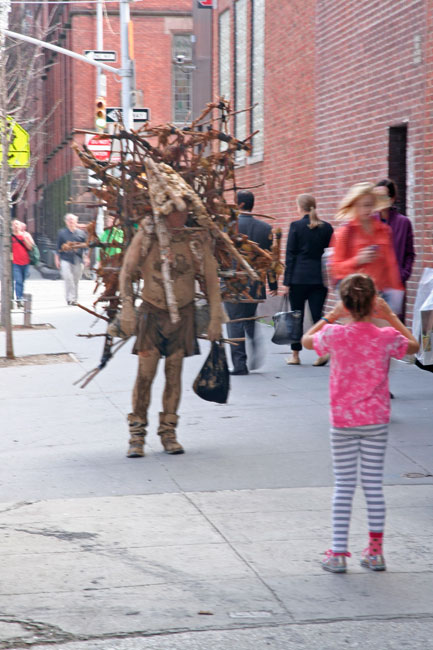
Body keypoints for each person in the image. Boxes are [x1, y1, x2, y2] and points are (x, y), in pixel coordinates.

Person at [302, 273, 419, 573]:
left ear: (345, 303)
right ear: (373, 303)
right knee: (373, 486)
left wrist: (331, 315)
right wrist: (389, 314)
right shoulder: (385, 337)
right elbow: (414, 346)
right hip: (376, 421)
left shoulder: (335, 334)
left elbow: (305, 341)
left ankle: (338, 554)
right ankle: (376, 553)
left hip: (342, 421)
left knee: (343, 486)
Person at [118, 206, 223, 458]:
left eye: (186, 212)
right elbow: (127, 270)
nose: (182, 217)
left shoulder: (195, 238)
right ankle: (137, 433)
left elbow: (211, 279)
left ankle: (168, 432)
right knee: (145, 375)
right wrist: (127, 308)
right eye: (177, 212)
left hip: (182, 316)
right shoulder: (148, 234)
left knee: (174, 374)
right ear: (165, 212)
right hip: (152, 313)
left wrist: (216, 317)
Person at [224, 190, 278, 375]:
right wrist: (273, 284)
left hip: (233, 282)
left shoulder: (228, 227)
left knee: (235, 322)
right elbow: (272, 259)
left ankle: (240, 364)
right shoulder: (265, 228)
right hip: (255, 284)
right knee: (249, 319)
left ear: (239, 205)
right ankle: (255, 347)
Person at [331, 182, 403, 311]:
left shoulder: (384, 230)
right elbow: (336, 269)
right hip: (355, 300)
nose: (366, 210)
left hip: (380, 296)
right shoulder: (344, 233)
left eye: (369, 205)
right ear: (354, 206)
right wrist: (357, 260)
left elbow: (391, 263)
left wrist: (396, 290)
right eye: (362, 206)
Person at [282, 194, 334, 366]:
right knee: (318, 317)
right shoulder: (327, 228)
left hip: (298, 277)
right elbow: (330, 255)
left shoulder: (296, 226)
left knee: (296, 316)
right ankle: (322, 352)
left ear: (300, 207)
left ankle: (295, 355)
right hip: (319, 278)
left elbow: (290, 255)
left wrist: (286, 282)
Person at [374, 179, 415, 321]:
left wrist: (402, 275)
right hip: (374, 284)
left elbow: (410, 254)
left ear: (392, 198)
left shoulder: (403, 222)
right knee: (374, 325)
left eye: (383, 196)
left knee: (395, 325)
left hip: (395, 284)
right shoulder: (369, 222)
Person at [55, 213, 89, 305]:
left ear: (76, 221)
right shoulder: (61, 233)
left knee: (76, 280)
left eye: (72, 220)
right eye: (69, 220)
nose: (71, 222)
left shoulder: (81, 233)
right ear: (66, 222)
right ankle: (70, 298)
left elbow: (86, 247)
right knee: (67, 277)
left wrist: (86, 258)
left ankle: (74, 298)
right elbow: (57, 247)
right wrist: (57, 259)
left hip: (78, 259)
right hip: (65, 258)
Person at [11, 219, 34, 308]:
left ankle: (19, 297)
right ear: (12, 226)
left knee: (22, 281)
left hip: (26, 262)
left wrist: (24, 238)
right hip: (15, 263)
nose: (16, 226)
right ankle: (19, 299)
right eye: (14, 225)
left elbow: (30, 248)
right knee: (18, 281)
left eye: (17, 224)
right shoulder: (10, 237)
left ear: (20, 226)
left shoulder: (25, 236)